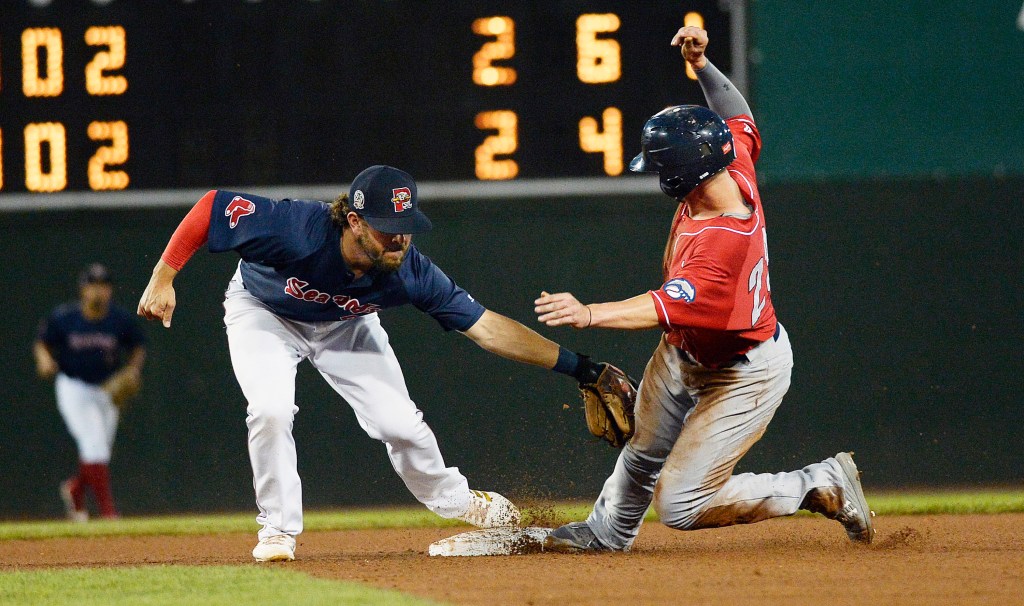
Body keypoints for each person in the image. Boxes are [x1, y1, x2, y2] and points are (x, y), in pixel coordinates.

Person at [137, 164, 620, 562]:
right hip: (264, 311)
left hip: (345, 325)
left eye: (407, 227)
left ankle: (459, 500)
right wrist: (163, 276)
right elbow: (212, 206)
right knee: (270, 410)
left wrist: (582, 368)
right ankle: (278, 530)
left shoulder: (410, 272)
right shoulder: (296, 228)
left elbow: (488, 329)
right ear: (353, 221)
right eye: (388, 228)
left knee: (401, 426)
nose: (400, 239)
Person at [534, 26, 874, 551]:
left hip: (744, 372)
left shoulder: (722, 245)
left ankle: (820, 483)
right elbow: (739, 115)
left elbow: (659, 307)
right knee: (642, 450)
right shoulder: (729, 164)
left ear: (681, 174)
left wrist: (589, 313)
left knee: (680, 504)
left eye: (660, 166)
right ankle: (607, 532)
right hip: (684, 352)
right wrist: (703, 66)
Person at [34, 263, 147, 521]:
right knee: (95, 444)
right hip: (74, 387)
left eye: (103, 285)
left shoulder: (119, 320)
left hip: (106, 390)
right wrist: (44, 359)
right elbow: (43, 341)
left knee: (99, 449)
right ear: (83, 290)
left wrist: (133, 370)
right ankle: (108, 512)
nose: (98, 291)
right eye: (93, 285)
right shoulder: (66, 318)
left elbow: (138, 345)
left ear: (110, 290)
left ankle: (75, 489)